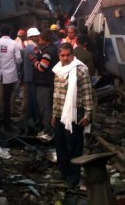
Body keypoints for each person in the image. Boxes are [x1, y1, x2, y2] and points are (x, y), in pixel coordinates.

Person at [52, 43, 93, 187]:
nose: (65, 58)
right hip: (59, 114)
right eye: (62, 55)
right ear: (59, 56)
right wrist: (53, 114)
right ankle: (63, 172)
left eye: (68, 55)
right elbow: (56, 94)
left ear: (72, 55)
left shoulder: (80, 70)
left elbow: (87, 93)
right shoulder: (58, 70)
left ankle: (73, 176)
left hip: (75, 113)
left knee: (74, 146)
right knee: (60, 144)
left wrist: (88, 115)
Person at [29, 29, 59, 139]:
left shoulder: (47, 52)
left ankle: (48, 131)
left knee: (45, 108)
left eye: (40, 39)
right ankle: (49, 129)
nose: (39, 41)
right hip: (49, 82)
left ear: (45, 40)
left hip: (44, 84)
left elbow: (42, 67)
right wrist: (39, 54)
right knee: (48, 107)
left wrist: (33, 60)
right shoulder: (53, 49)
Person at [0, 25, 22, 129]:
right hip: (10, 75)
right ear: (10, 32)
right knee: (7, 98)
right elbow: (19, 60)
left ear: (1, 32)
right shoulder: (14, 44)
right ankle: (7, 122)